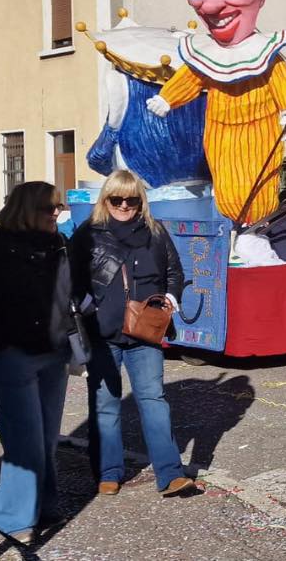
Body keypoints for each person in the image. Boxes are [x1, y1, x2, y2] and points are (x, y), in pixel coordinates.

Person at [146, 0, 286, 224]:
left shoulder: (265, 52)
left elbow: (281, 82)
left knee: (259, 181)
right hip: (220, 133)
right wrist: (168, 97)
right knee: (226, 183)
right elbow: (192, 76)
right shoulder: (206, 54)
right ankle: (235, 227)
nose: (210, 5)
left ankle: (254, 227)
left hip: (260, 131)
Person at [69, 170, 194, 497]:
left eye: (132, 200)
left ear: (141, 201)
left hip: (145, 333)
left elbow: (174, 271)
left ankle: (170, 474)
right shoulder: (88, 233)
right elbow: (71, 277)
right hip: (102, 333)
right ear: (105, 199)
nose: (124, 206)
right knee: (105, 404)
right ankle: (108, 472)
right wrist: (87, 305)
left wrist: (170, 300)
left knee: (154, 400)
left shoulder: (155, 231)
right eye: (117, 199)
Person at [0, 182, 71, 544]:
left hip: (52, 351)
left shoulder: (59, 245)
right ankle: (12, 517)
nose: (56, 213)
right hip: (12, 355)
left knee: (47, 436)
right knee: (25, 439)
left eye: (58, 207)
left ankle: (45, 504)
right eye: (49, 208)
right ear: (27, 210)